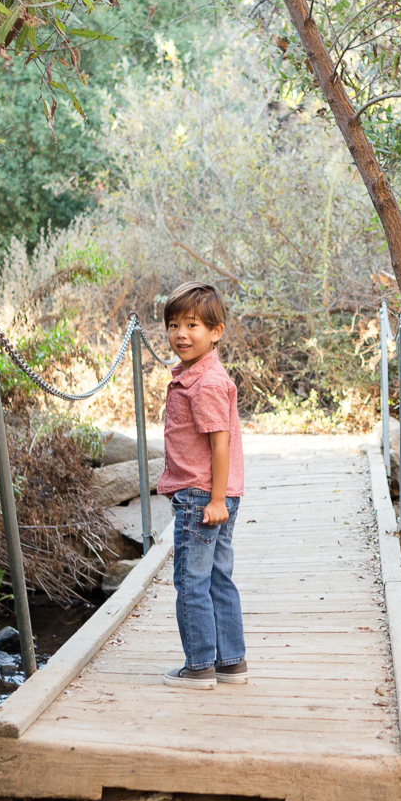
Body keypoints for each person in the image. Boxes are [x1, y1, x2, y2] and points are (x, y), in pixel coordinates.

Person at [156, 282, 248, 689]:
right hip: (214, 494)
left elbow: (220, 441)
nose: (181, 333)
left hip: (201, 496)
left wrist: (214, 500)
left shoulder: (206, 383)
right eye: (174, 324)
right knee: (216, 577)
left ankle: (198, 666)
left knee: (191, 581)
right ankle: (230, 662)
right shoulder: (196, 376)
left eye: (192, 324)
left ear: (216, 331)